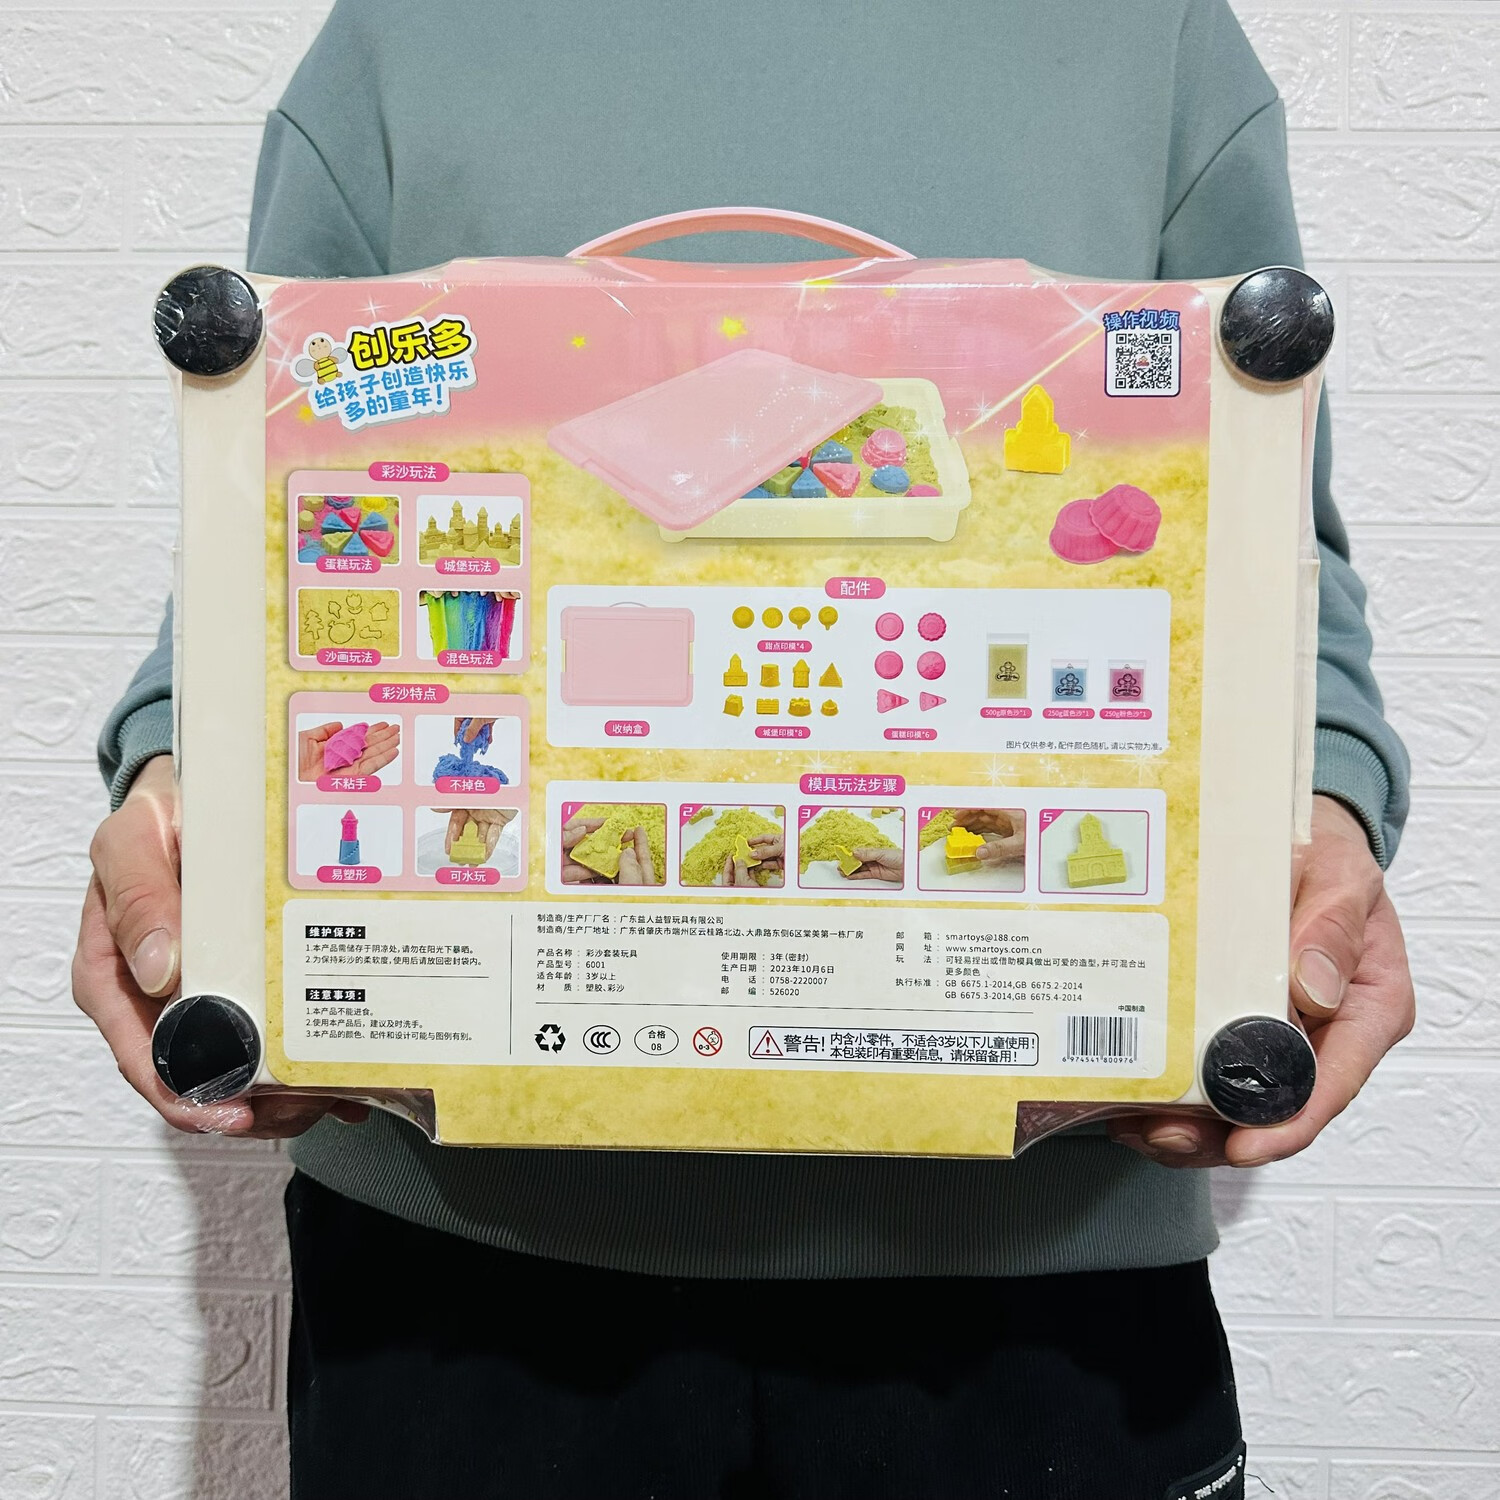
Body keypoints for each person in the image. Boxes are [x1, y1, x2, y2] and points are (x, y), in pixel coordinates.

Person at [75, 1, 1415, 1494]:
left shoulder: (1150, 35)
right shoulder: (406, 31)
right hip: (457, 1248)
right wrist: (174, 785)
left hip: (1049, 1249)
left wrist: (1325, 819)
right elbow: (280, 493)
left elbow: (1267, 530)